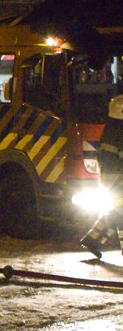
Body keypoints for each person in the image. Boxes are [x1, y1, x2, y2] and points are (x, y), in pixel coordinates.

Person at [80, 94, 123, 258]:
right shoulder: (119, 133)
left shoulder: (112, 131)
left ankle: (92, 240)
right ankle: (92, 240)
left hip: (112, 182)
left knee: (116, 214)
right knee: (118, 214)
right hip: (118, 182)